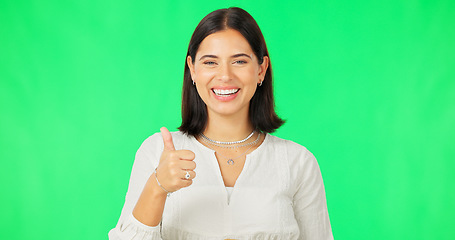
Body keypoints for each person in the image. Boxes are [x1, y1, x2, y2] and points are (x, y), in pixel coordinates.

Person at [109, 7, 333, 240]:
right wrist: (158, 186)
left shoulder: (298, 162)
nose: (225, 75)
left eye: (239, 61)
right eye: (210, 62)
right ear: (192, 69)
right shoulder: (157, 152)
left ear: (261, 69)